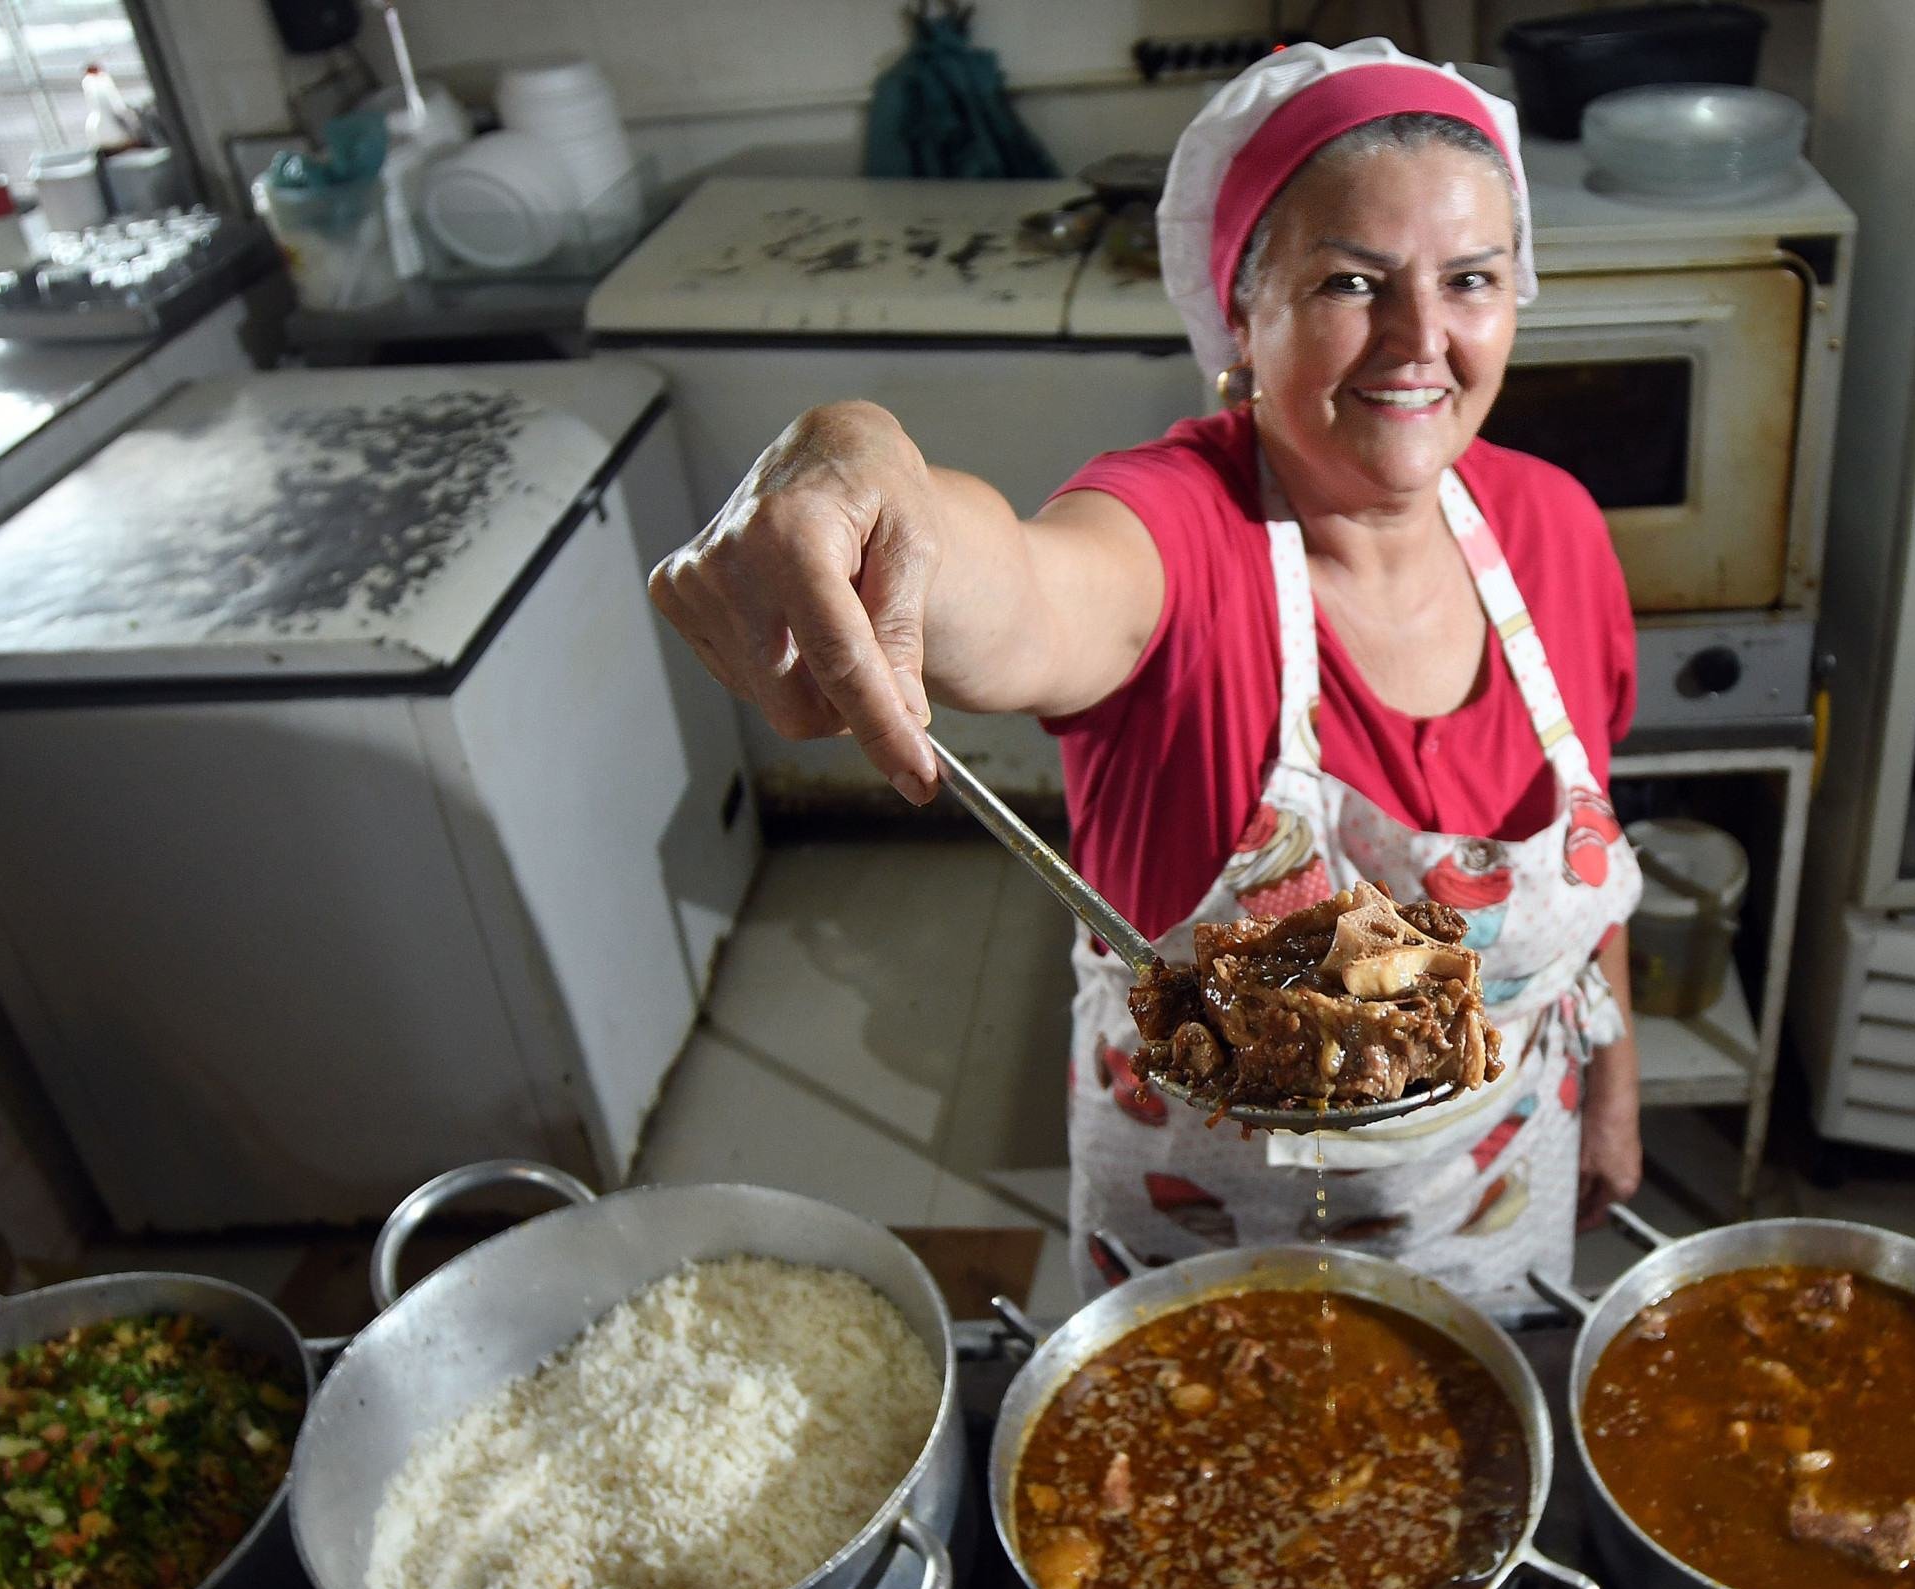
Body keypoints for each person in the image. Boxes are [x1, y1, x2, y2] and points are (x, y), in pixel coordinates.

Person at [649, 40, 1644, 1306]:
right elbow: (1012, 589)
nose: (1422, 339)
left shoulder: (1556, 527)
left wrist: (1616, 1091)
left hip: (1503, 1195)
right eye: (1352, 281)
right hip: (1210, 1247)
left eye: (1471, 280)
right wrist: (860, 472)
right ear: (1242, 308)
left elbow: (1597, 858)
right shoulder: (1176, 533)